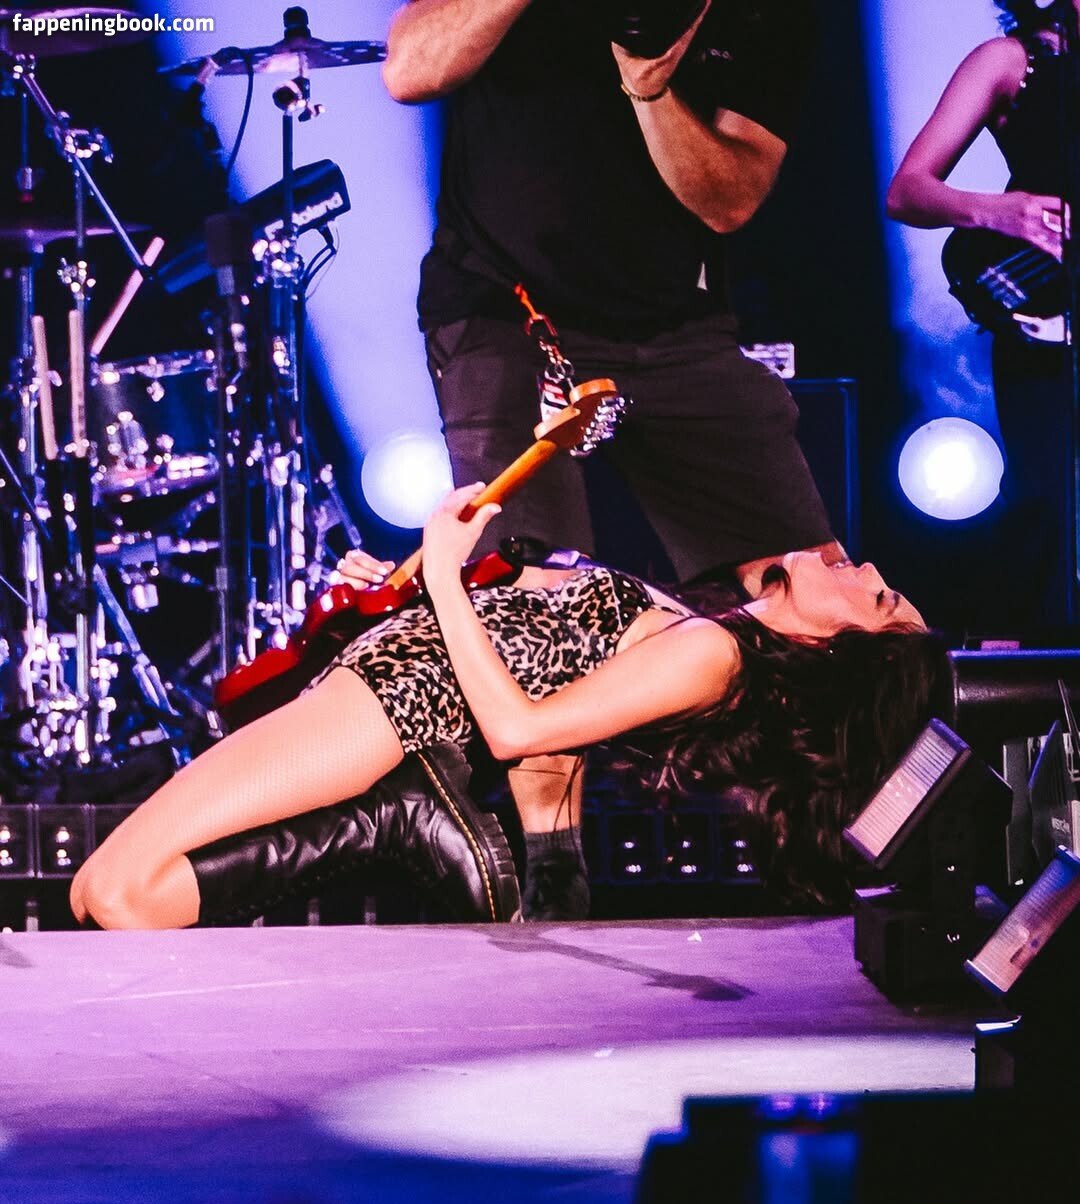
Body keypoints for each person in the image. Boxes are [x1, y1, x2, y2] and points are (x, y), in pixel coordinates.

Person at [378, 0, 847, 909]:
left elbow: (731, 198)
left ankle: (852, 848)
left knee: (819, 585)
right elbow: (410, 69)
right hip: (509, 312)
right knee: (537, 594)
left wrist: (651, 91)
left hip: (677, 325)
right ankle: (551, 872)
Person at [70, 483, 945, 930]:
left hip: (405, 695)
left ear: (836, 649)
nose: (868, 569)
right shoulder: (712, 629)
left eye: (879, 600)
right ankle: (392, 818)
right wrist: (411, 583)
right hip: (398, 674)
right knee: (114, 894)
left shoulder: (715, 658)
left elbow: (521, 728)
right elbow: (547, 712)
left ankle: (394, 818)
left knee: (115, 893)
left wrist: (445, 574)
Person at [886, 0, 1076, 634]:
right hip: (1049, 327)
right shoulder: (1011, 61)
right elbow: (907, 190)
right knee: (1049, 509)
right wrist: (1000, 211)